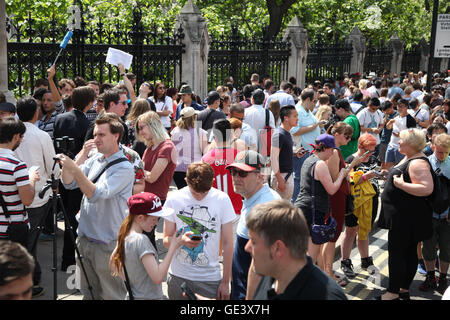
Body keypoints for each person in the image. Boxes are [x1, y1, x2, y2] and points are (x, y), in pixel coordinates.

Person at [59, 114, 135, 300]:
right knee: (88, 293)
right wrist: (81, 156)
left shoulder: (124, 167)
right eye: (95, 134)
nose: (96, 139)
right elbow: (68, 183)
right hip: (85, 240)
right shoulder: (94, 159)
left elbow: (96, 194)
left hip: (108, 244)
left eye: (101, 134)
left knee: (112, 295)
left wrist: (75, 169)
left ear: (116, 136)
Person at [247, 200, 347, 300]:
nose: (247, 247)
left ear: (278, 248)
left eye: (253, 241)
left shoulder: (329, 296)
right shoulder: (268, 272)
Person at [162, 162, 235, 300]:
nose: (200, 197)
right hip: (179, 277)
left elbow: (228, 244)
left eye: (205, 192)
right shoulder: (173, 199)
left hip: (210, 279)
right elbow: (166, 240)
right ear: (186, 181)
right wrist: (180, 241)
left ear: (212, 181)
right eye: (195, 192)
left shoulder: (222, 200)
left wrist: (226, 282)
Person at [377, 128, 434, 300]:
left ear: (411, 144)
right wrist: (391, 175)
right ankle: (402, 290)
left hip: (406, 219)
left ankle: (392, 293)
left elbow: (426, 188)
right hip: (407, 217)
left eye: (401, 140)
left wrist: (400, 185)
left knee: (397, 254)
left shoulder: (418, 162)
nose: (398, 142)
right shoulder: (412, 157)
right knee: (408, 253)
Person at [14, 97, 60, 296]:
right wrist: (57, 179)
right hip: (37, 196)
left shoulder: (12, 133)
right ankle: (27, 282)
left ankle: (31, 278)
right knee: (28, 243)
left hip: (16, 196)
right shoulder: (40, 135)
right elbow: (53, 166)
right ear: (36, 113)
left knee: (25, 242)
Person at [226, 150, 281, 300]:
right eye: (233, 172)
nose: (236, 178)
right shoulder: (252, 198)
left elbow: (264, 266)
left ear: (259, 176)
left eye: (242, 173)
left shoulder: (266, 206)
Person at [109, 192, 185, 300]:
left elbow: (112, 264)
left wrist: (134, 279)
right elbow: (158, 277)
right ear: (140, 218)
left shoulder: (125, 236)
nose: (156, 223)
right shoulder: (141, 240)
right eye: (153, 219)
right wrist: (173, 246)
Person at [53, 86, 96, 271]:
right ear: (88, 103)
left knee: (67, 218)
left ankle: (67, 259)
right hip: (78, 174)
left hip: (62, 171)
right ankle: (74, 259)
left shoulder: (60, 118)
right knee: (76, 218)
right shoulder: (87, 124)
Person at [294, 134, 350, 265]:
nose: (333, 153)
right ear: (325, 148)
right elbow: (332, 189)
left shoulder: (309, 159)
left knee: (305, 252)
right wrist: (341, 175)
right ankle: (305, 283)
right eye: (332, 150)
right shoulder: (320, 165)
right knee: (311, 256)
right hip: (313, 211)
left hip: (302, 208)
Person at [339, 133, 378, 279]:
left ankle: (365, 260)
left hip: (371, 199)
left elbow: (376, 173)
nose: (371, 153)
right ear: (360, 147)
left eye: (373, 150)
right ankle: (345, 261)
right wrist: (364, 177)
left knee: (365, 229)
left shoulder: (373, 158)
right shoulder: (351, 160)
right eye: (368, 150)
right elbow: (347, 182)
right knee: (350, 230)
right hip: (354, 201)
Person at [321, 122, 353, 285]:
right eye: (346, 136)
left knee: (328, 236)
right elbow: (334, 178)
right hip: (335, 198)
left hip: (335, 197)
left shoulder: (332, 150)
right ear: (337, 134)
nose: (349, 139)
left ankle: (325, 271)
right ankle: (327, 273)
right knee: (332, 237)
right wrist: (345, 172)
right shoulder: (333, 152)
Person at [419, 133, 450, 294]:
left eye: (446, 152)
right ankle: (431, 277)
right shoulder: (425, 163)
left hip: (446, 217)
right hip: (429, 215)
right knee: (428, 248)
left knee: (446, 248)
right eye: (439, 152)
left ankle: (443, 278)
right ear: (433, 147)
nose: (442, 155)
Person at [290, 89, 323, 203]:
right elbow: (293, 130)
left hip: (309, 151)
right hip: (302, 152)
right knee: (298, 179)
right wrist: (313, 127)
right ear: (308, 100)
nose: (315, 104)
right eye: (314, 101)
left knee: (304, 181)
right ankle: (294, 206)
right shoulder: (297, 111)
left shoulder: (306, 110)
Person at [171, 107, 208, 189]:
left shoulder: (175, 131)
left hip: (178, 169)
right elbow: (205, 152)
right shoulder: (200, 132)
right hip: (195, 168)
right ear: (194, 117)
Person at [270, 105, 298, 200]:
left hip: (286, 175)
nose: (297, 119)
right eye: (295, 116)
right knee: (280, 211)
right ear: (286, 118)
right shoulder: (279, 134)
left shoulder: (287, 133)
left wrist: (295, 153)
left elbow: (281, 153)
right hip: (282, 176)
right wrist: (279, 179)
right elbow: (273, 158)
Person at [384, 99, 417, 170]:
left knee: (400, 168)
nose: (399, 108)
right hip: (391, 145)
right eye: (398, 107)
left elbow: (412, 133)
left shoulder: (410, 119)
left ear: (406, 107)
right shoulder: (396, 117)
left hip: (402, 147)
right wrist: (389, 123)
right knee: (388, 166)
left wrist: (401, 134)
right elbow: (389, 128)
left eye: (401, 106)